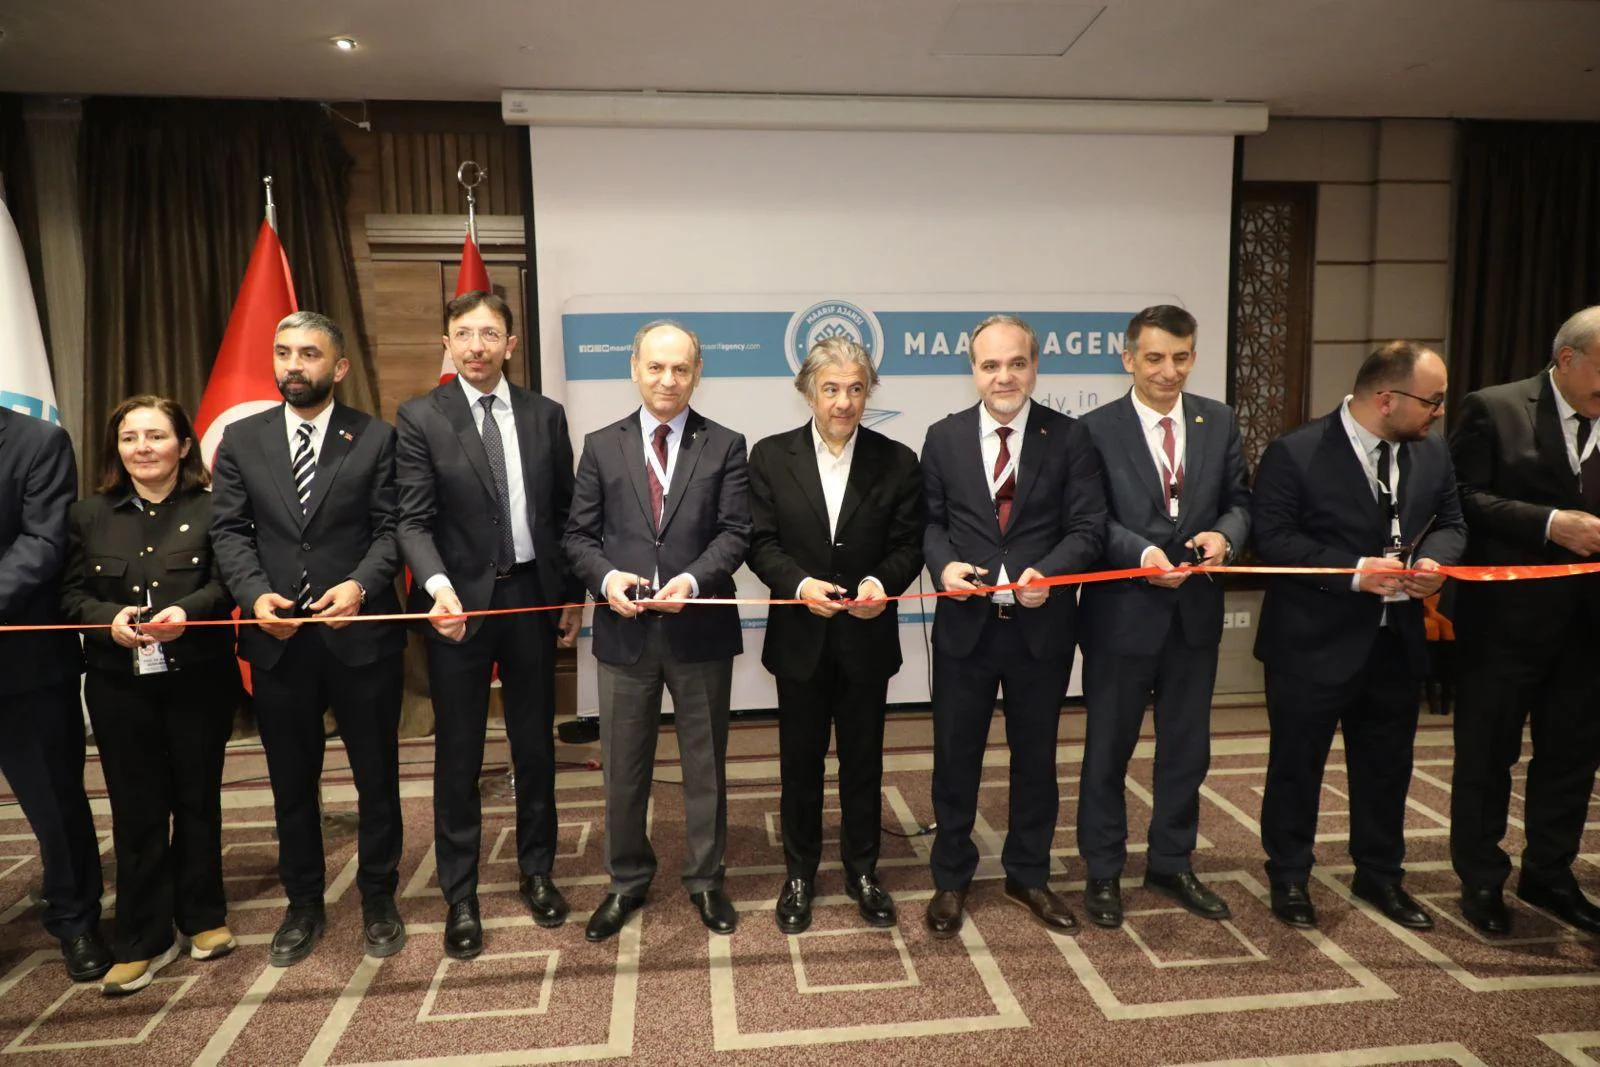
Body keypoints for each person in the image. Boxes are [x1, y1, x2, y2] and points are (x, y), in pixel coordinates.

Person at [210, 311, 408, 966]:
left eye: (309, 354)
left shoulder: (375, 437)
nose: (294, 365)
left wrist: (359, 587)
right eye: (284, 352)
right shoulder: (243, 439)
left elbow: (393, 529)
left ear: (339, 367)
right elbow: (229, 531)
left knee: (376, 777)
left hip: (360, 638)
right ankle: (303, 902)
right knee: (292, 782)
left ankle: (378, 894)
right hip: (279, 639)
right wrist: (252, 596)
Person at [395, 290, 584, 960]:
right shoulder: (421, 416)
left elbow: (565, 513)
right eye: (464, 333)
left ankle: (537, 871)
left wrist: (571, 594)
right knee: (460, 753)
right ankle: (461, 893)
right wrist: (439, 590)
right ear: (446, 343)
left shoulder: (544, 415)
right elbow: (412, 520)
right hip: (459, 607)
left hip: (532, 596)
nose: (476, 346)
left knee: (536, 746)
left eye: (490, 333)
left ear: (511, 343)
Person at [1251, 341, 1465, 930]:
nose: (1439, 411)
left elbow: (1451, 522)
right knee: (1297, 768)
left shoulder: (1431, 450)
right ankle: (1290, 875)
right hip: (1311, 643)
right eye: (1432, 400)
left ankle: (1380, 874)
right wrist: (1353, 572)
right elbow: (1273, 541)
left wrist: (1434, 563)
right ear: (1386, 398)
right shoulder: (1296, 452)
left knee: (1387, 767)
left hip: (1395, 641)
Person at [563, 320, 751, 942]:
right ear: (634, 369)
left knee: (705, 766)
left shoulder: (726, 445)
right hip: (625, 635)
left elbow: (735, 534)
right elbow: (578, 537)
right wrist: (606, 580)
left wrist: (692, 582)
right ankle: (626, 880)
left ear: (697, 374)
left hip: (699, 631)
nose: (668, 380)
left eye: (680, 369)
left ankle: (706, 879)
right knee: (623, 769)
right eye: (656, 367)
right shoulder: (600, 445)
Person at [920, 314, 1107, 939]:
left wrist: (1049, 574)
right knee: (955, 759)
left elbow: (1088, 529)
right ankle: (951, 877)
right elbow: (932, 523)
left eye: (1016, 363)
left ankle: (1028, 874)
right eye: (990, 365)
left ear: (1034, 366)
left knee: (1036, 758)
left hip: (1040, 629)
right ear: (973, 371)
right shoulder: (943, 437)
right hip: (965, 629)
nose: (1004, 376)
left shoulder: (1070, 437)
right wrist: (944, 566)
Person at [1076, 306, 1250, 928]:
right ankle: (1103, 869)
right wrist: (1142, 555)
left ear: (1193, 357)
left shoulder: (1218, 420)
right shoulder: (1094, 429)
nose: (1168, 371)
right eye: (1154, 358)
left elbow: (1240, 502)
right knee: (1108, 749)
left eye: (1180, 357)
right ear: (1128, 359)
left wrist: (1225, 538)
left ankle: (1172, 862)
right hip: (1122, 614)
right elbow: (1090, 520)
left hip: (1194, 616)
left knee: (1186, 749)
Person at [60, 396, 240, 994]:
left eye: (157, 436)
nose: (143, 448)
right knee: (136, 808)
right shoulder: (87, 515)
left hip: (198, 678)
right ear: (117, 448)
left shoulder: (216, 507)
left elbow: (227, 584)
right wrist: (107, 620)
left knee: (197, 798)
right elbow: (70, 596)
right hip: (118, 683)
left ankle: (203, 916)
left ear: (183, 446)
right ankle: (141, 936)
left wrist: (186, 613)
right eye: (130, 437)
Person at [747, 337, 923, 934]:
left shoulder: (898, 461)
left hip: (866, 641)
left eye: (855, 388)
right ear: (808, 392)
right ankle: (799, 873)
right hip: (800, 639)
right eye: (831, 389)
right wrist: (799, 585)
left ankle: (862, 871)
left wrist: (880, 583)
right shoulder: (770, 457)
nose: (843, 401)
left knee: (863, 763)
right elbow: (760, 543)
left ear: (867, 392)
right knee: (799, 765)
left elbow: (909, 546)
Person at [1448, 305, 1600, 936]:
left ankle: (1549, 873)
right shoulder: (1494, 408)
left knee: (1571, 756)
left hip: (1589, 627)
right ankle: (1482, 878)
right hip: (1503, 623)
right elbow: (1459, 498)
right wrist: (1549, 524)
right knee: (1487, 756)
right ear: (1567, 360)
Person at [0, 408, 108, 982]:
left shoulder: (38, 441)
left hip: (24, 667)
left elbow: (42, 543)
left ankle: (75, 921)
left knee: (55, 805)